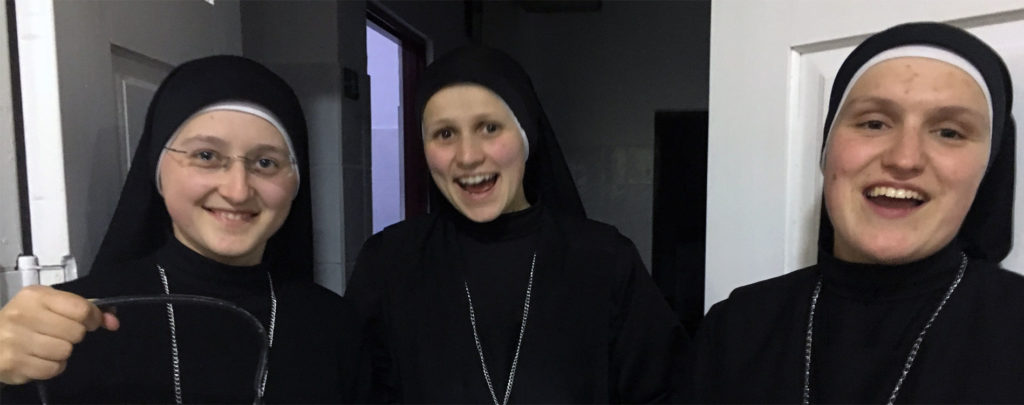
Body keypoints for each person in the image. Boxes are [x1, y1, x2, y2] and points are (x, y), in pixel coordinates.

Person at [684, 22, 1022, 403]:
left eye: (949, 132)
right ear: (828, 149)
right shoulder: (738, 327)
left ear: (986, 170)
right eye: (874, 123)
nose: (904, 158)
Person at [0, 55, 365, 403]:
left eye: (266, 163)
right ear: (157, 170)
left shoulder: (335, 326)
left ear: (296, 182)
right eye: (206, 156)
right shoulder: (69, 325)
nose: (237, 191)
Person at [346, 46, 686, 404]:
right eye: (445, 134)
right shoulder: (389, 263)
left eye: (489, 128)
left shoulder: (605, 261)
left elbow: (663, 393)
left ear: (527, 134)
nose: (468, 156)